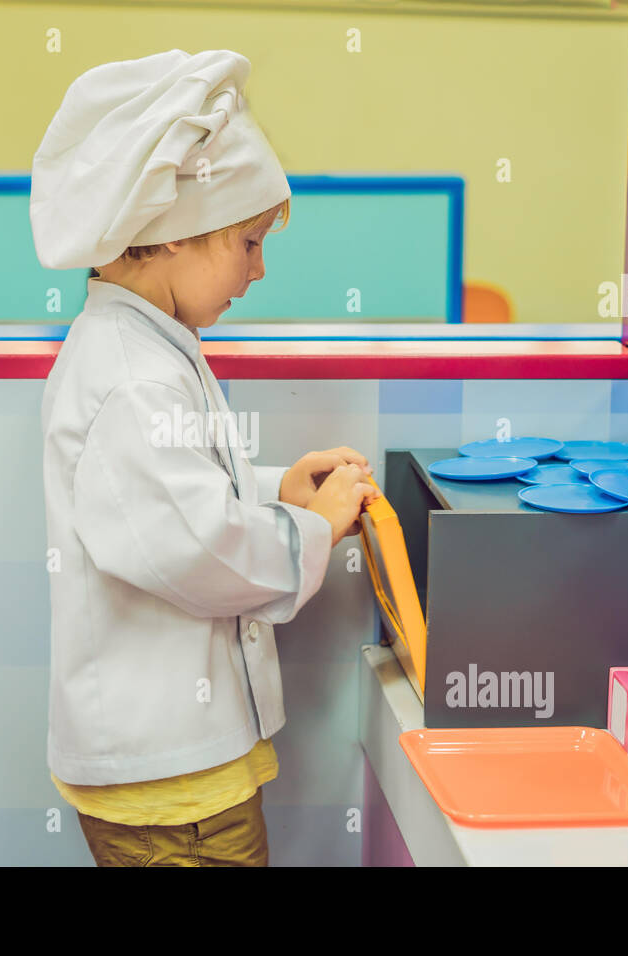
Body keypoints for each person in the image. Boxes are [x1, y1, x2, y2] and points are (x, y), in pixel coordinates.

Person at [31, 48, 378, 867]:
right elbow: (193, 546)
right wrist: (308, 530)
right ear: (174, 238)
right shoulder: (130, 377)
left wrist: (273, 491)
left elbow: (172, 501)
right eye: (249, 243)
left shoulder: (148, 350)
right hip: (170, 790)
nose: (260, 269)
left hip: (178, 773)